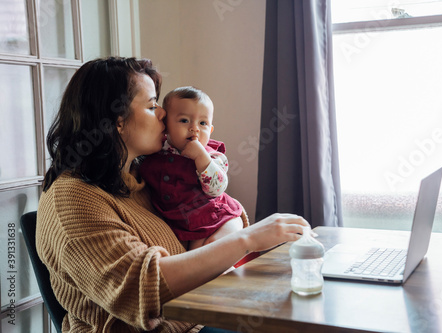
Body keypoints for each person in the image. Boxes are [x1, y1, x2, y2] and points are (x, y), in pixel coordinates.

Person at [37, 56, 309, 333]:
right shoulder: (71, 199)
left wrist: (232, 221)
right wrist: (246, 239)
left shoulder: (140, 177)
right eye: (152, 105)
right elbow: (144, 289)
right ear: (117, 121)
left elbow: (209, 210)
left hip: (202, 315)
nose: (163, 115)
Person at [140, 86, 243, 250]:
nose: (194, 128)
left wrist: (201, 158)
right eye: (184, 120)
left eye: (203, 123)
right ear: (165, 126)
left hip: (217, 218)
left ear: (210, 130)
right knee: (199, 262)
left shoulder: (213, 157)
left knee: (213, 250)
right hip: (184, 226)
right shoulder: (156, 153)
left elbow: (217, 188)